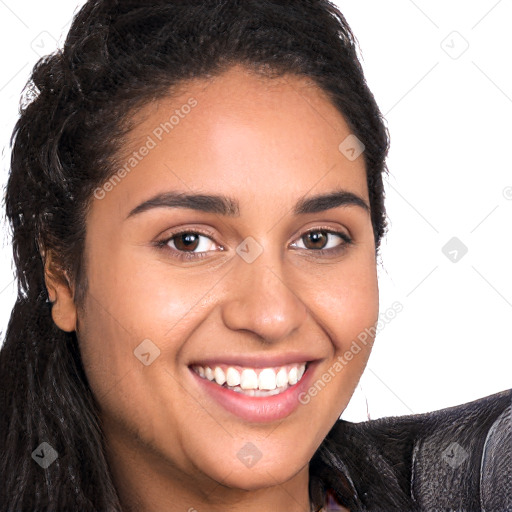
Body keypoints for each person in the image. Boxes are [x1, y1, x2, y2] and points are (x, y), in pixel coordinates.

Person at [0, 1, 509, 511]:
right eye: (189, 241)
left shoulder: (480, 480)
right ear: (62, 274)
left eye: (318, 239)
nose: (272, 315)